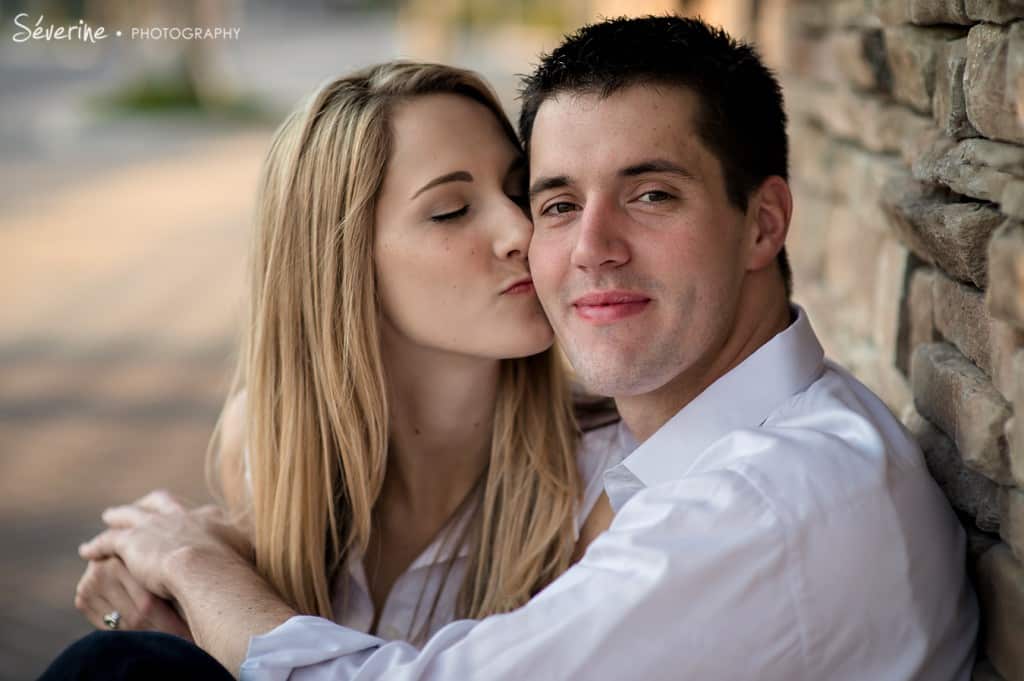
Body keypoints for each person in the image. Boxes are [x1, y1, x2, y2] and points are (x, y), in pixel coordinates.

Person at [50, 15, 978, 681]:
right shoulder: (667, 467)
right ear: (339, 272)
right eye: (558, 201)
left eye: (652, 195)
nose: (570, 247)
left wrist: (200, 573)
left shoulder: (761, 502)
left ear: (763, 222)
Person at [53, 61, 622, 675]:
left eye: (518, 191)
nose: (520, 230)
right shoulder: (268, 442)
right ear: (342, 263)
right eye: (452, 210)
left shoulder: (608, 485)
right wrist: (149, 603)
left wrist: (197, 572)